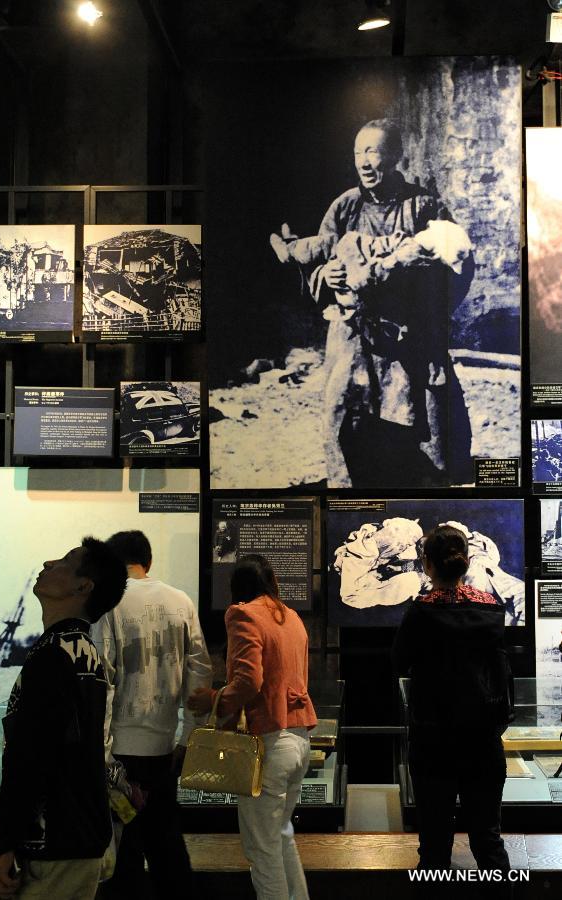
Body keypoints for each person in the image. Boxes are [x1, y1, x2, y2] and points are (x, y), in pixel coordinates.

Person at [272, 118, 474, 488]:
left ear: (395, 156)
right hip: (354, 332)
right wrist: (328, 277)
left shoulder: (424, 206)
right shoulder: (345, 206)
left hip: (408, 335)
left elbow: (455, 264)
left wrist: (411, 292)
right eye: (357, 153)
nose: (364, 162)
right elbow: (322, 257)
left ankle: (426, 482)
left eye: (373, 152)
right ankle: (349, 485)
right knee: (345, 407)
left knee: (424, 416)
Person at [0, 538, 128, 900]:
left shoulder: (52, 654)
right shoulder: (84, 652)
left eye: (65, 561)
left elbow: (32, 755)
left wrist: (5, 842)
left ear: (83, 587)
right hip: (79, 837)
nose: (49, 563)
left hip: (54, 846)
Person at [187, 554, 317, 900]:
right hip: (300, 738)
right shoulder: (292, 617)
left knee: (262, 850)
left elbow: (248, 681)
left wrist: (213, 700)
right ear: (272, 581)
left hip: (268, 744)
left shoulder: (242, 614)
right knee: (281, 837)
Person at [91, 530, 212, 900]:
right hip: (164, 748)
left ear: (112, 563)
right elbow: (199, 674)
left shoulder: (108, 604)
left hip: (119, 751)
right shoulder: (181, 601)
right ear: (148, 561)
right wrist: (188, 738)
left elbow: (102, 681)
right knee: (168, 850)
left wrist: (103, 752)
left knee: (122, 856)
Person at [392, 525, 512, 894]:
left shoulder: (420, 613)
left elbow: (398, 663)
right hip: (483, 741)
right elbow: (500, 669)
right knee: (488, 840)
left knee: (434, 846)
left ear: (427, 564)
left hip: (433, 741)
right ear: (467, 561)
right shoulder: (490, 609)